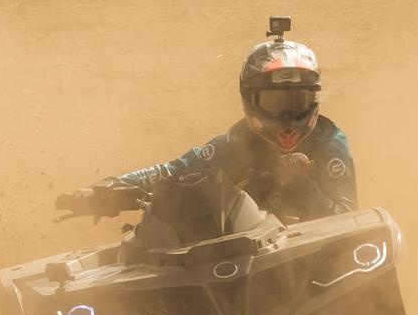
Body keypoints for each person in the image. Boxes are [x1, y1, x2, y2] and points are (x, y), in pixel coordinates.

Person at [60, 21, 358, 223]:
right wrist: (107, 189)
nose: (288, 119)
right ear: (249, 98)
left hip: (316, 272)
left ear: (315, 99)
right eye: (275, 103)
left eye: (298, 102)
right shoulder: (236, 144)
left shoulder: (329, 144)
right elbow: (172, 172)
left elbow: (351, 225)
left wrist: (302, 186)